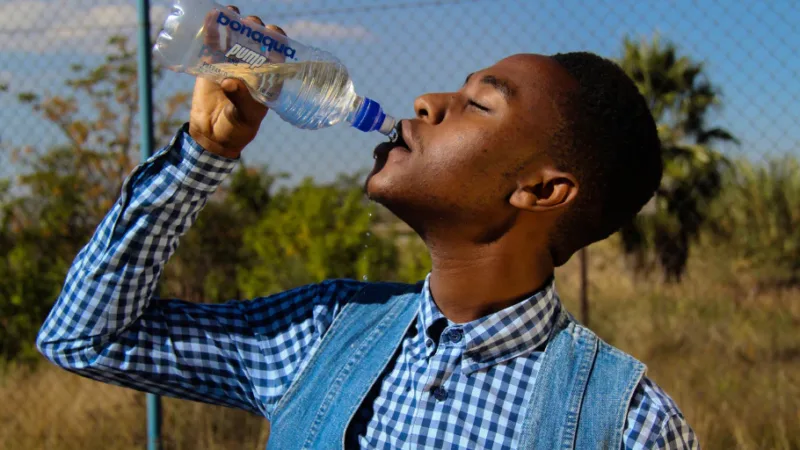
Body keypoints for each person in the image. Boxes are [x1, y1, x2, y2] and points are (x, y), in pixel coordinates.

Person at [36, 6, 698, 449]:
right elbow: (86, 337)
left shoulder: (627, 427)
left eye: (477, 104)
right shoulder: (324, 331)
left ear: (543, 189)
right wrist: (204, 156)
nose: (426, 102)